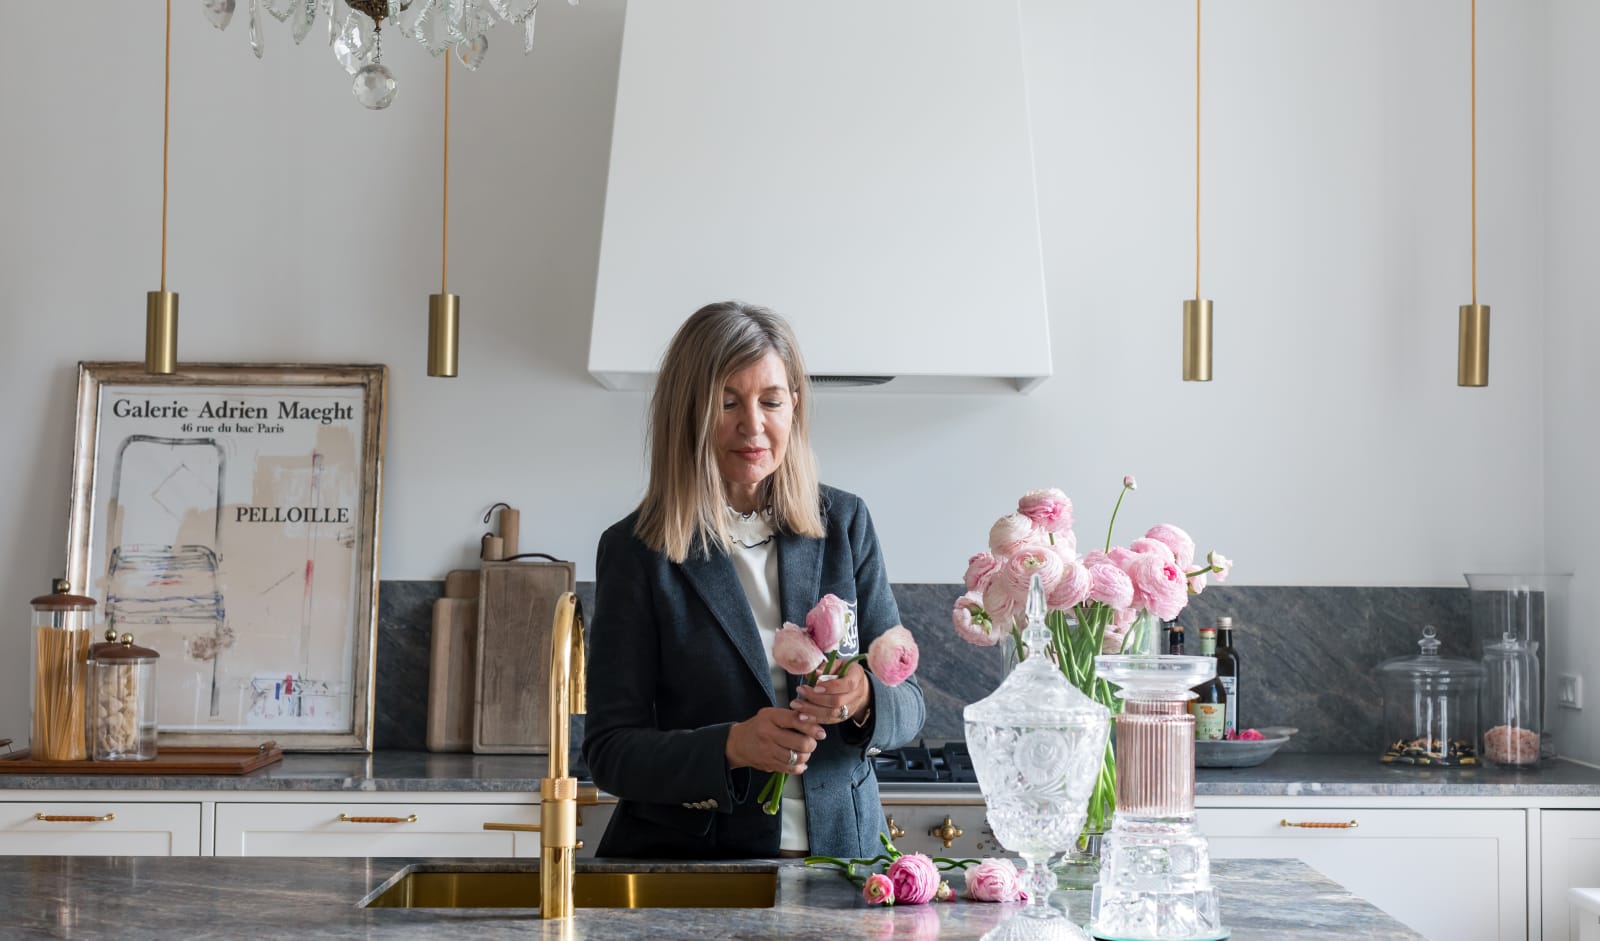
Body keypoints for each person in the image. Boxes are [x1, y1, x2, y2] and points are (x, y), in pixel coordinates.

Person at [583, 301, 926, 860]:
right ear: (687, 414)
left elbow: (909, 702)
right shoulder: (636, 551)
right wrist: (732, 746)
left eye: (771, 401)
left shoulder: (845, 524)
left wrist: (865, 697)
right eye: (726, 403)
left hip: (843, 859)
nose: (754, 425)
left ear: (795, 406)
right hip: (697, 869)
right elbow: (611, 751)